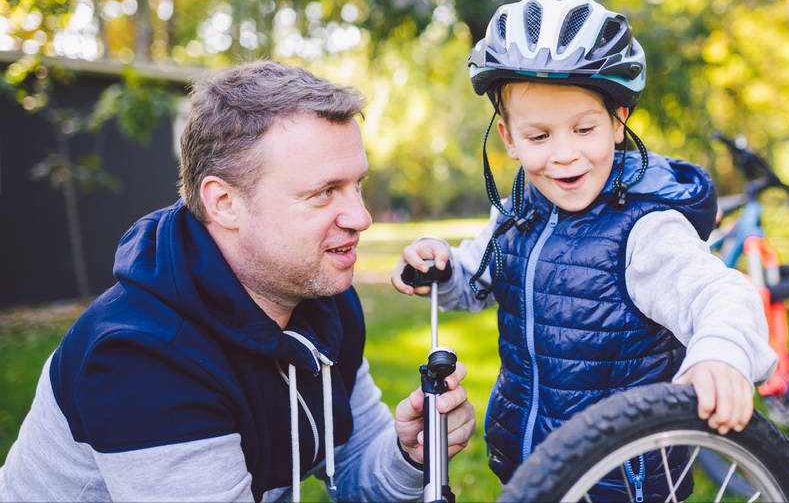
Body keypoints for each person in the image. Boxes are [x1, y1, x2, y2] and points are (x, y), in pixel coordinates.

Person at [0, 61, 475, 502]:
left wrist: (411, 455)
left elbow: (357, 471)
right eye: (325, 192)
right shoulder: (142, 358)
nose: (362, 217)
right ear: (224, 203)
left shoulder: (321, 301)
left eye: (357, 185)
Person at [392, 0, 777, 499]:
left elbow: (721, 293)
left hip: (621, 480)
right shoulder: (517, 212)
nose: (565, 155)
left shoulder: (645, 230)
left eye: (584, 128)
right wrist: (439, 267)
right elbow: (477, 277)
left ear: (618, 123)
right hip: (532, 470)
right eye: (539, 136)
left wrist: (721, 354)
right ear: (508, 139)